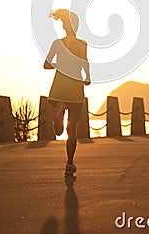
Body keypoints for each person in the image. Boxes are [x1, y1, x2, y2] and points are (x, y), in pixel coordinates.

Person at [44, 9, 91, 176]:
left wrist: (61, 65)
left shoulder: (57, 43)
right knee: (72, 130)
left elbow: (46, 65)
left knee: (58, 131)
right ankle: (69, 164)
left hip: (58, 89)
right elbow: (85, 63)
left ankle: (58, 116)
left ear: (64, 26)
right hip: (75, 90)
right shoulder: (82, 44)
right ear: (76, 26)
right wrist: (88, 78)